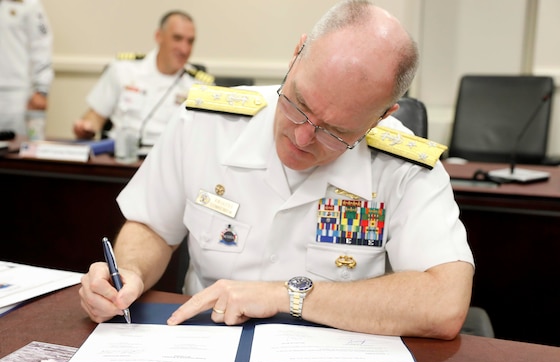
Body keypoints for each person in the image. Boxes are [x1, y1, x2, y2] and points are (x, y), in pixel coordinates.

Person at [79, 0, 474, 340]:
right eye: (298, 104)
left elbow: (444, 303)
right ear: (296, 54)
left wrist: (287, 295)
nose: (302, 137)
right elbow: (151, 227)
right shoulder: (204, 124)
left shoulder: (404, 166)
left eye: (335, 132)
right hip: (206, 346)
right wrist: (128, 272)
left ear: (380, 117)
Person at [72, 10, 213, 148]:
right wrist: (86, 128)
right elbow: (94, 117)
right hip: (121, 157)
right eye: (177, 38)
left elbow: (205, 138)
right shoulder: (123, 69)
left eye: (190, 41)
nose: (184, 49)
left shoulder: (199, 85)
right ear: (159, 36)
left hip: (168, 162)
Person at [0, 0, 53, 136]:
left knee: (14, 149)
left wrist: (42, 89)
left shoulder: (29, 5)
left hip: (14, 95)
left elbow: (42, 45)